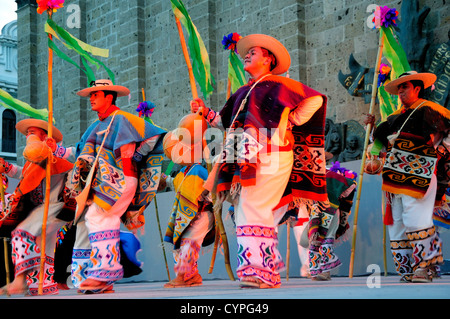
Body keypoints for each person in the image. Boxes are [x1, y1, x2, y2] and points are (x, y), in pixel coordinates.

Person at [190, 34, 328, 288]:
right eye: (247, 52)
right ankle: (260, 269)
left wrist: (292, 119)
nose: (247, 55)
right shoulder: (244, 92)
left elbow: (315, 99)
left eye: (253, 52)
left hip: (272, 154)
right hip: (245, 158)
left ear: (268, 59)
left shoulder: (279, 85)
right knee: (247, 209)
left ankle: (260, 270)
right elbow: (224, 121)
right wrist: (203, 111)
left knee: (253, 207)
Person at [67, 79, 166, 293]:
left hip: (121, 179)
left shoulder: (123, 119)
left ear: (109, 97)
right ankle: (101, 279)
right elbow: (79, 151)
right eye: (91, 95)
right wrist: (55, 152)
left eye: (96, 94)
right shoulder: (95, 126)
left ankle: (104, 273)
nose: (91, 98)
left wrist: (135, 155)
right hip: (104, 182)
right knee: (99, 218)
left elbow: (155, 134)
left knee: (96, 216)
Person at [365, 71, 450, 283]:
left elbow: (448, 134)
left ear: (417, 88)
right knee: (397, 225)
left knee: (416, 219)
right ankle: (407, 270)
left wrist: (439, 152)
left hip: (419, 174)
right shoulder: (393, 118)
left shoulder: (430, 110)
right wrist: (373, 131)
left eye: (405, 87)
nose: (400, 91)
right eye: (399, 88)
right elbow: (378, 143)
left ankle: (424, 268)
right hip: (393, 180)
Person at [0, 119, 75, 296]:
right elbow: (25, 175)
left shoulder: (54, 153)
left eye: (32, 131)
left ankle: (20, 281)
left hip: (55, 206)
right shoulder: (32, 160)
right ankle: (42, 285)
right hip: (41, 208)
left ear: (44, 135)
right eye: (27, 133)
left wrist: (55, 150)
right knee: (43, 245)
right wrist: (7, 168)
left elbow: (74, 158)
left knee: (22, 233)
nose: (28, 135)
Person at [159, 163, 215, 288]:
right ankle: (192, 275)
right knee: (182, 245)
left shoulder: (200, 170)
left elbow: (213, 186)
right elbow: (177, 184)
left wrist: (205, 196)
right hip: (184, 216)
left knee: (190, 243)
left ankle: (182, 276)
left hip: (202, 213)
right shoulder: (183, 171)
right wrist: (163, 179)